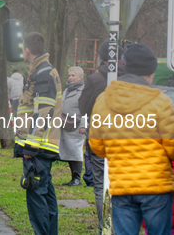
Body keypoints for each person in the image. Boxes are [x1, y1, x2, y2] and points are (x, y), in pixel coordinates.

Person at [90, 43, 174, 235]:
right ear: (151, 72)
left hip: (122, 185)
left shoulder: (103, 100)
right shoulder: (160, 102)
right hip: (156, 185)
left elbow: (96, 145)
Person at [14, 32, 62, 235]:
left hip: (38, 147)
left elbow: (43, 111)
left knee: (36, 194)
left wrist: (31, 146)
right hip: (44, 145)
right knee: (46, 193)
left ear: (27, 50)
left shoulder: (43, 73)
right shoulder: (43, 71)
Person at [78, 38, 125, 232]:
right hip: (125, 137)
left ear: (101, 57)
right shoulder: (129, 78)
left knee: (100, 184)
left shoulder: (95, 79)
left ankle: (105, 228)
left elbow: (82, 107)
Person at [59, 66, 86, 186]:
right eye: (69, 75)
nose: (70, 78)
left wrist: (84, 125)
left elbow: (86, 110)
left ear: (80, 77)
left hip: (77, 125)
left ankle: (77, 178)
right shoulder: (66, 90)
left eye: (73, 75)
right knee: (68, 151)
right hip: (65, 124)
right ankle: (73, 178)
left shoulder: (84, 91)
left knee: (75, 151)